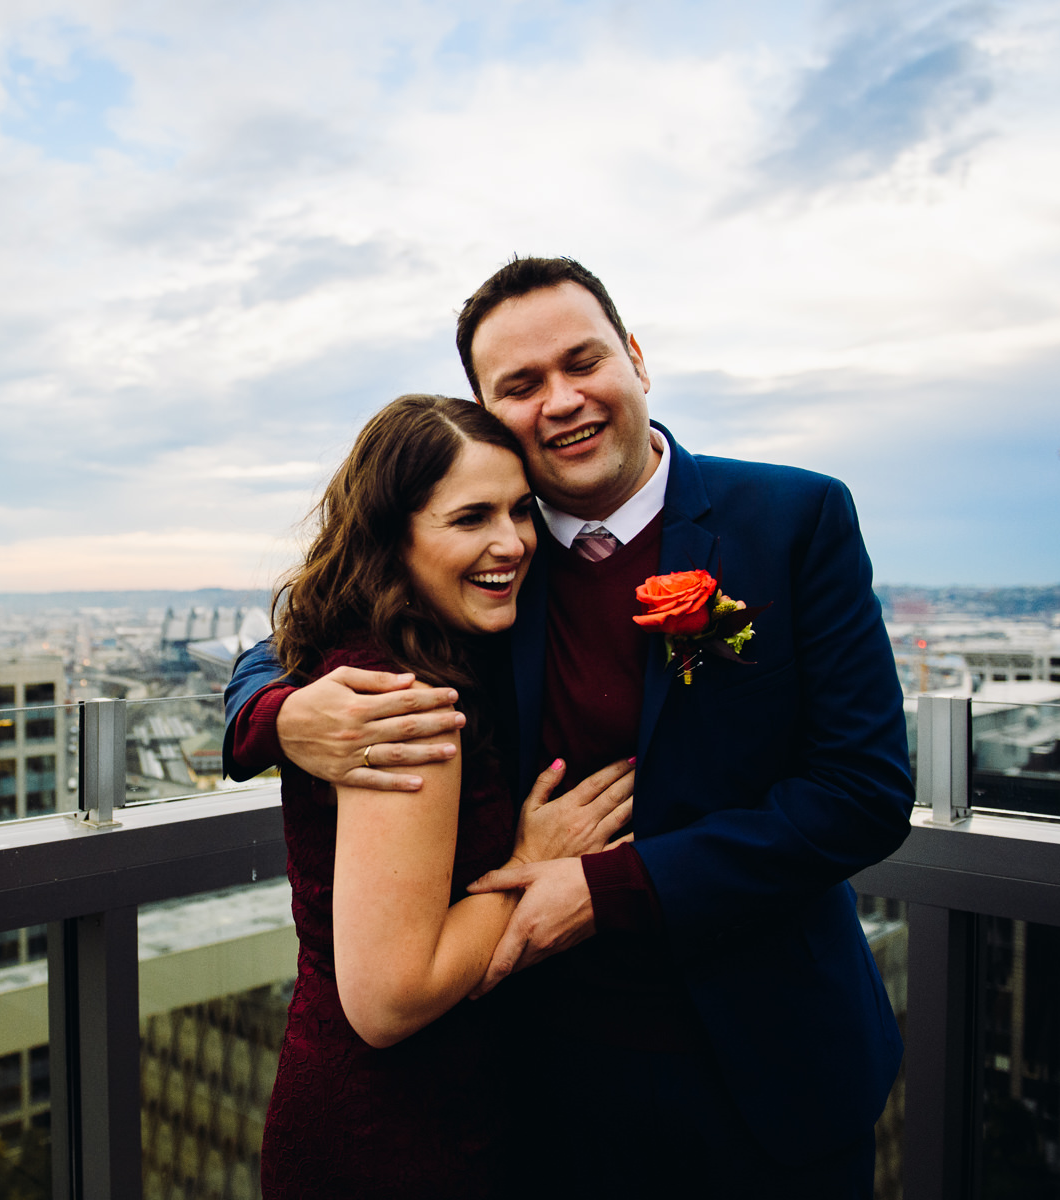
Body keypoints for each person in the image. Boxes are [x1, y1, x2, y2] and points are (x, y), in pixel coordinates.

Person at [227, 258, 913, 1198]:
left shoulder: (794, 519)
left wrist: (609, 887)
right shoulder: (490, 553)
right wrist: (275, 713)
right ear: (487, 411)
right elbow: (314, 630)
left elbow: (861, 795)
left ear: (635, 358)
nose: (562, 401)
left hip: (769, 1070)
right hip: (548, 1095)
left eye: (582, 362)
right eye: (520, 385)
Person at [255, 393, 635, 1200]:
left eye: (520, 510)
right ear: (393, 539)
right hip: (398, 1138)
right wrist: (536, 860)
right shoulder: (407, 703)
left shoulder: (402, 651)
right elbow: (391, 997)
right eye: (470, 519)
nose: (513, 542)